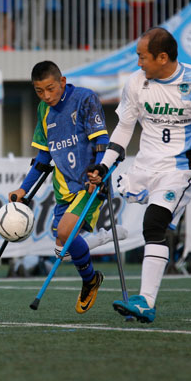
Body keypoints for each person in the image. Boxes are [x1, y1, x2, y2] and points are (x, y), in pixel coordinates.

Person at [87, 27, 191, 324]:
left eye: (142, 57)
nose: (138, 63)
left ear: (162, 57)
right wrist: (104, 164)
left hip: (177, 171)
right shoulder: (137, 83)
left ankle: (145, 302)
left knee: (154, 224)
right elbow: (124, 129)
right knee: (140, 222)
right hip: (143, 167)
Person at [9, 60, 120, 315]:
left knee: (65, 231)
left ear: (62, 82)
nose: (46, 96)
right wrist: (23, 190)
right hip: (63, 189)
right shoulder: (43, 111)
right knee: (63, 242)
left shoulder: (84, 98)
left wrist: (98, 171)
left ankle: (92, 267)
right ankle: (91, 278)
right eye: (39, 91)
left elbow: (102, 139)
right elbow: (43, 157)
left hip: (89, 184)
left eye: (50, 88)